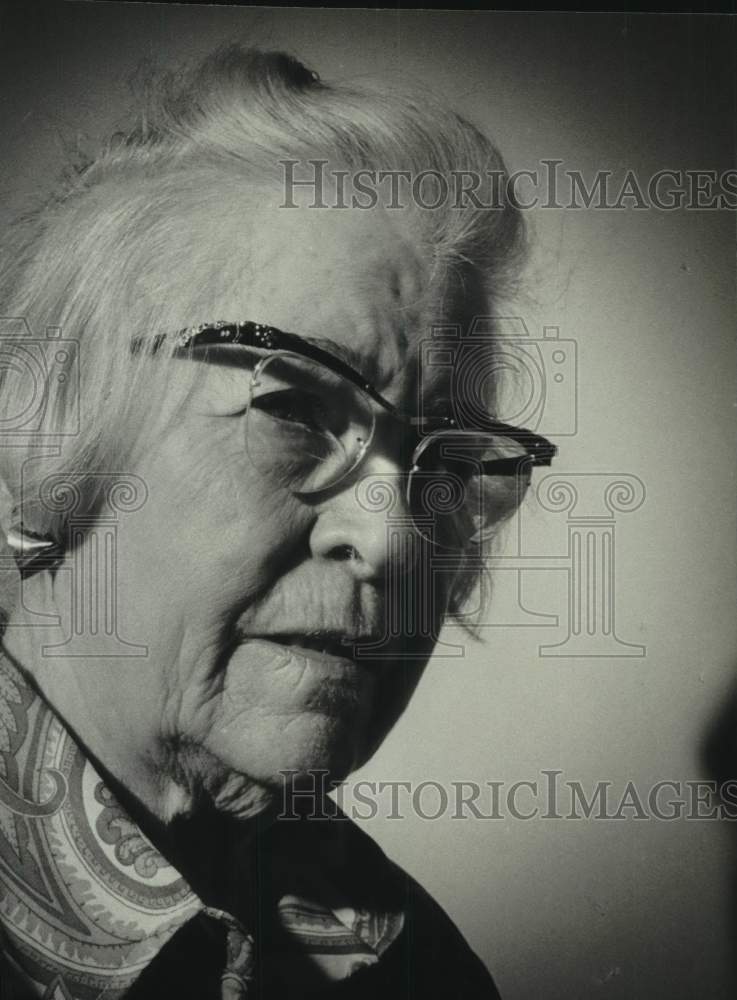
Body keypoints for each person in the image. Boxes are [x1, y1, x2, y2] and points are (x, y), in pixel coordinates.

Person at [0, 46, 555, 998]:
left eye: (448, 466)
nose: (388, 541)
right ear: (46, 430)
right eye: (295, 411)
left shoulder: (415, 965)